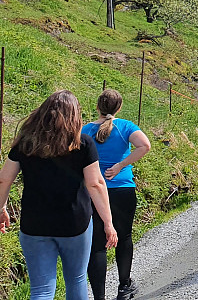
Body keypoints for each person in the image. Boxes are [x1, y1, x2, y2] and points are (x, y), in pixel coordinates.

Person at [0, 90, 117, 300]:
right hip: (74, 224)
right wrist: (108, 223)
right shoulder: (83, 144)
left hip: (34, 225)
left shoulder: (25, 142)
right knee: (77, 279)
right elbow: (96, 184)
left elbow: (3, 179)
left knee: (41, 289)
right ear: (75, 115)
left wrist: (1, 208)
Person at [82, 89, 151, 300]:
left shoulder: (85, 130)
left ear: (97, 107)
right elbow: (144, 145)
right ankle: (124, 286)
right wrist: (121, 165)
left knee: (96, 245)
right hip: (122, 189)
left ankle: (99, 297)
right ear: (119, 107)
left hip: (93, 191)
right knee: (124, 236)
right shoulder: (125, 127)